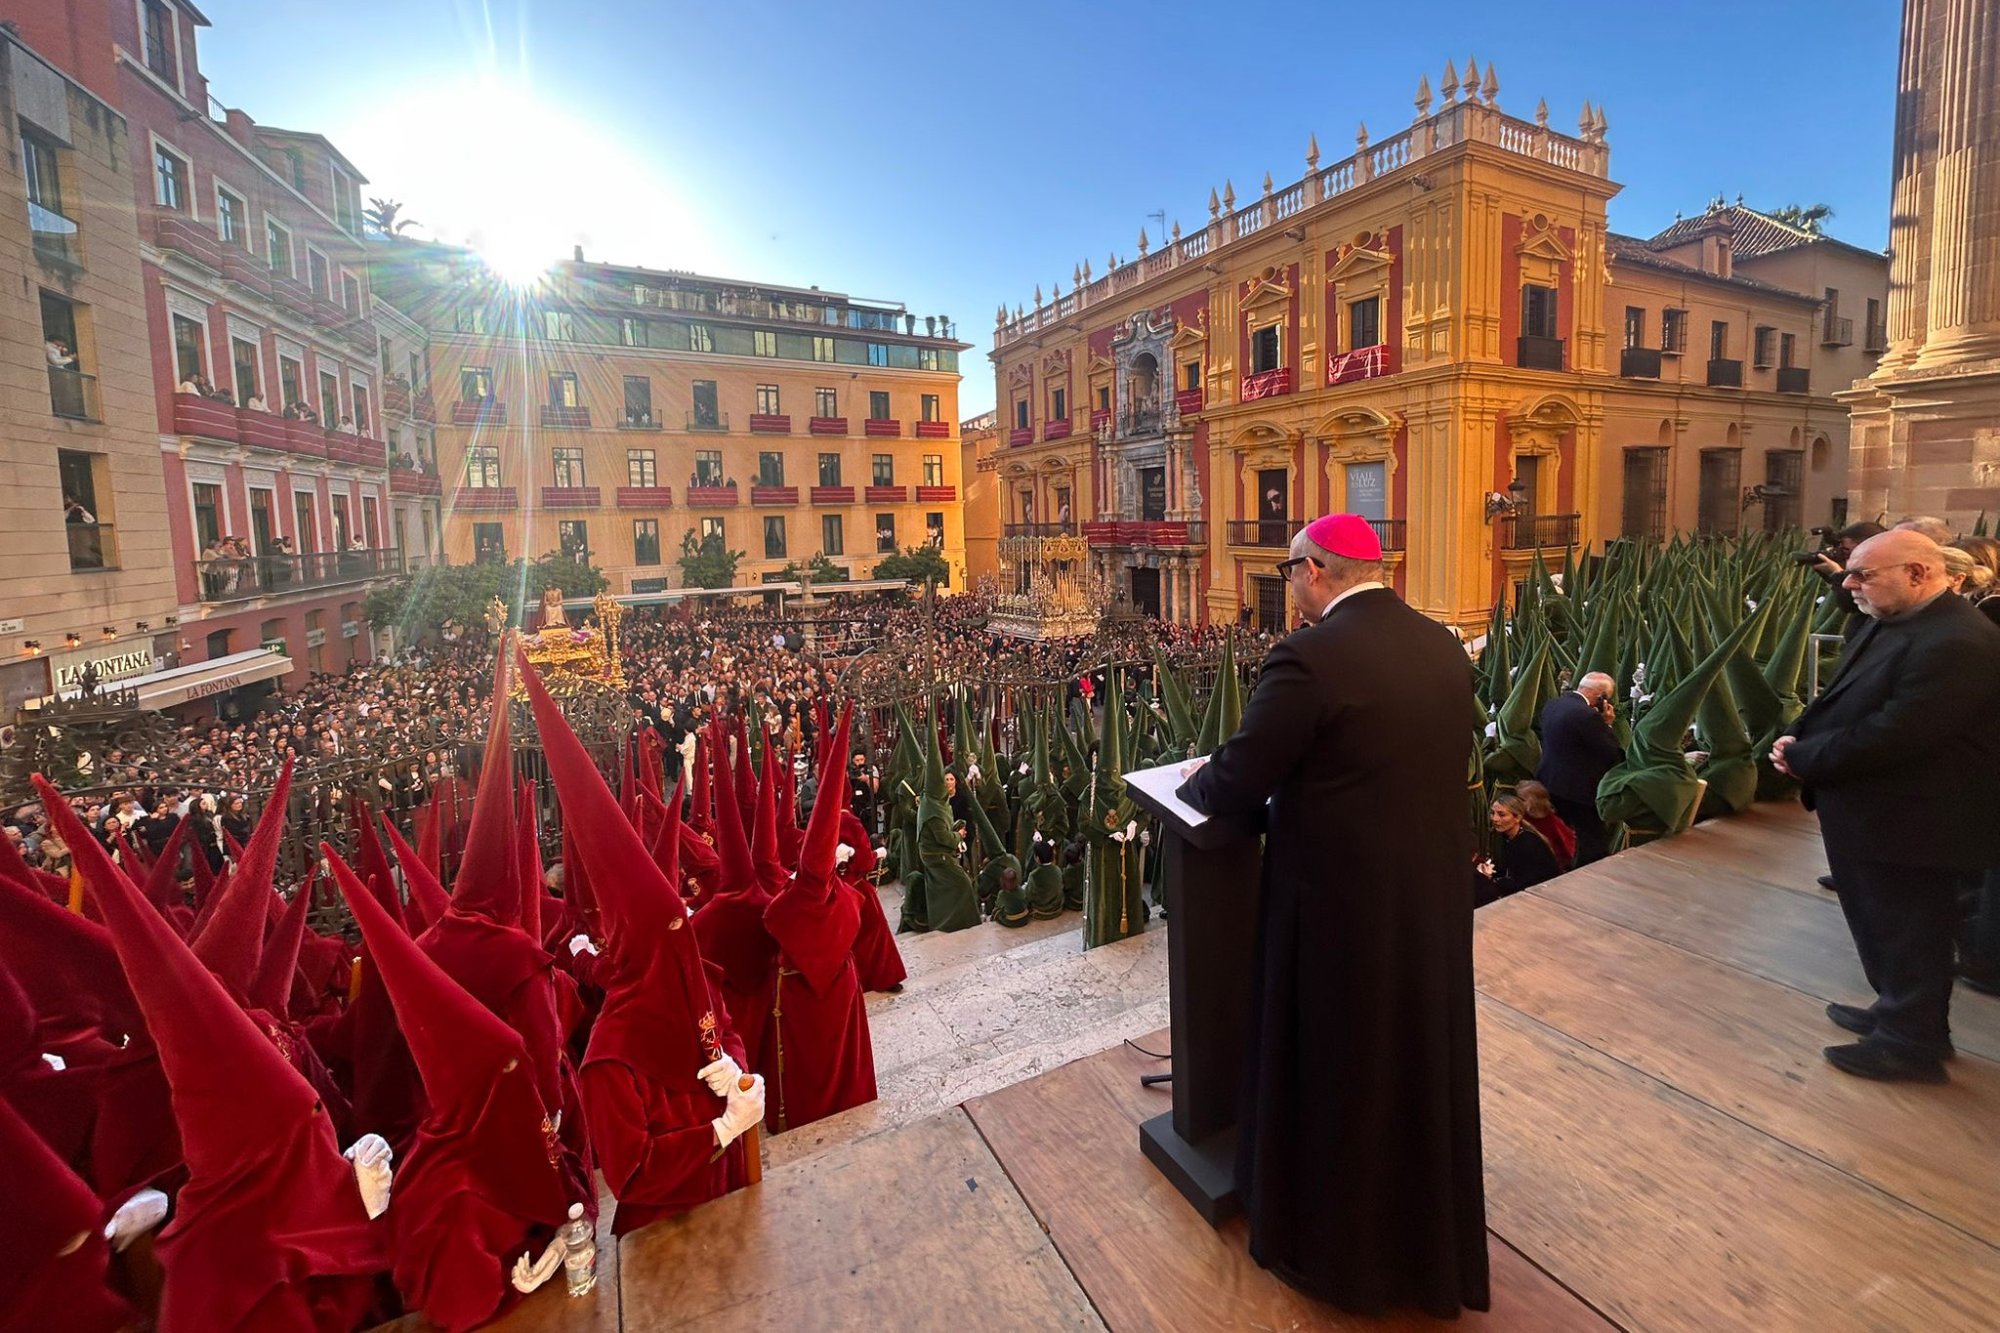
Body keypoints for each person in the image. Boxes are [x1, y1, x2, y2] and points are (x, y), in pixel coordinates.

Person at [1176, 513, 1487, 1317]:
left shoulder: (1310, 655)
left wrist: (1197, 781)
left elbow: (1240, 777)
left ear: (1315, 570)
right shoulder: (1441, 642)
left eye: (1289, 572)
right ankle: (1421, 1245)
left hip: (1340, 909)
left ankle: (1340, 1255)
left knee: (1342, 1066)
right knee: (1410, 1060)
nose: (1289, 586)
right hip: (1427, 900)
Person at [1772, 529, 2000, 1083]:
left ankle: (1912, 1043)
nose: (1847, 584)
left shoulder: (1956, 642)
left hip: (1914, 820)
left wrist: (1806, 757)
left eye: (1863, 575)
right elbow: (1842, 693)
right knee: (1881, 923)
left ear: (1918, 574)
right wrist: (1796, 735)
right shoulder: (1903, 621)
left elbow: (1897, 733)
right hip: (1877, 810)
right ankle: (1896, 1009)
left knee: (1909, 926)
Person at [1536, 670, 1622, 866]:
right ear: (1601, 697)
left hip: (1551, 781)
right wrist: (1607, 725)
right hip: (1579, 791)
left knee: (1565, 832)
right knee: (1592, 840)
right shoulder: (1587, 716)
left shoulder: (1554, 704)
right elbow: (1610, 751)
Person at [1475, 793, 1561, 906]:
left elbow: (1525, 882)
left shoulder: (1527, 844)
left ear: (1517, 817)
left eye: (1501, 815)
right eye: (1492, 813)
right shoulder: (1506, 837)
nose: (1495, 819)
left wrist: (1493, 879)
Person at [1512, 779, 1575, 872]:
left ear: (1534, 802)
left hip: (1553, 863)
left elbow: (1568, 845)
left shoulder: (1552, 822)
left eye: (1522, 800)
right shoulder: (1520, 817)